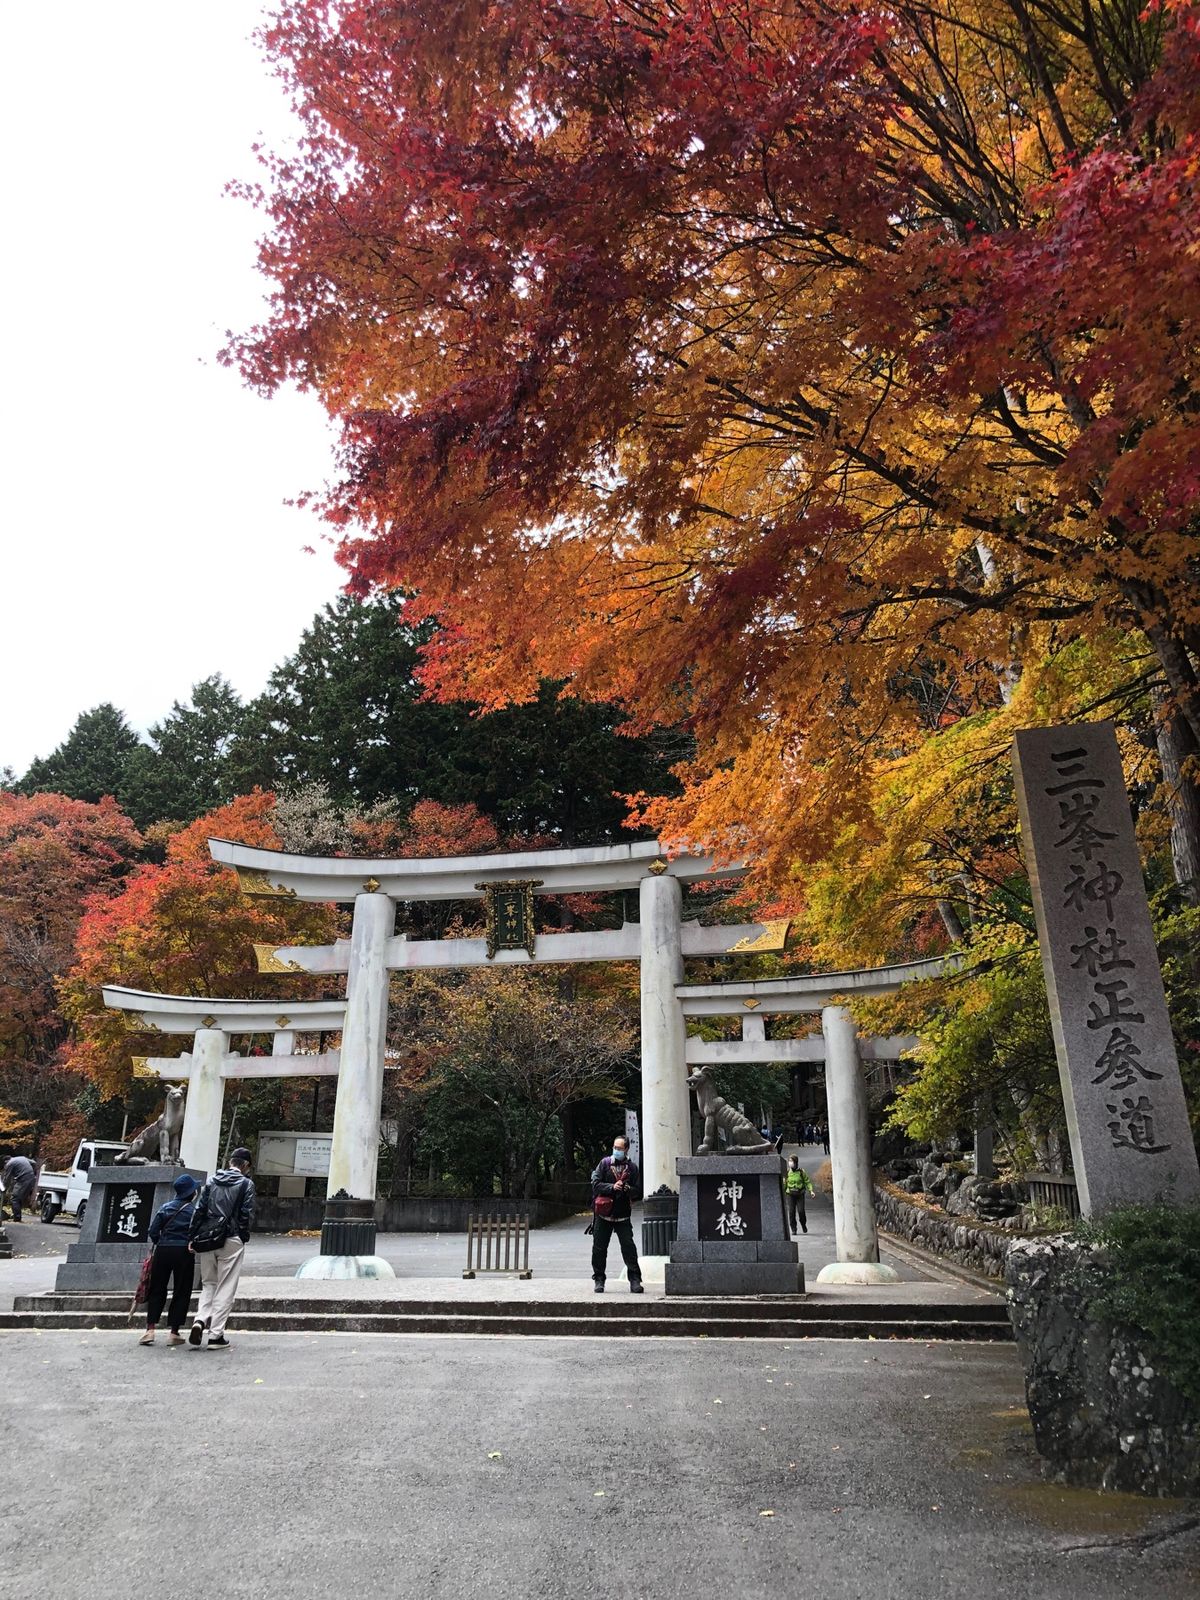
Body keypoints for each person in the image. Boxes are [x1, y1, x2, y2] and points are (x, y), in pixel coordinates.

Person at [187, 1148, 256, 1350]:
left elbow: (199, 1210)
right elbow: (246, 1214)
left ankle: (200, 1319)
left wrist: (192, 1236)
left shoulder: (212, 1181)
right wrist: (243, 1237)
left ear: (230, 1163)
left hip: (208, 1238)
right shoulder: (246, 1184)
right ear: (246, 1166)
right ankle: (216, 1335)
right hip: (231, 1239)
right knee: (226, 1286)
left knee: (209, 1283)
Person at [140, 1173, 199, 1346]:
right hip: (184, 1252)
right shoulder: (193, 1211)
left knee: (157, 1287)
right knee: (182, 1290)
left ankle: (150, 1329)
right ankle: (174, 1332)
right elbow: (197, 1231)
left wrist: (162, 1242)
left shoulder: (165, 1208)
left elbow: (153, 1231)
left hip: (163, 1251)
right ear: (192, 1193)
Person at [590, 1135, 642, 1294]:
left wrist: (627, 1189)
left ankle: (635, 1280)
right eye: (615, 1147)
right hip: (603, 1214)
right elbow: (595, 1184)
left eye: (620, 1148)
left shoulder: (632, 1168)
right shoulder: (604, 1164)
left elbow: (638, 1191)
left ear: (626, 1149)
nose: (617, 1150)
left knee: (628, 1247)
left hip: (623, 1214)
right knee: (599, 1248)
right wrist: (612, 1187)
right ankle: (599, 1279)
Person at [1, 1154, 37, 1222]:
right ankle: (17, 1215)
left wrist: (4, 1189)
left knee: (14, 1199)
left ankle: (17, 1218)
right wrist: (33, 1172)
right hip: (31, 1178)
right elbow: (34, 1163)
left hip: (23, 1180)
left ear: (6, 1161)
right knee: (19, 1198)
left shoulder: (10, 1163)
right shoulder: (21, 1158)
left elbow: (7, 1178)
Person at [784, 1155, 813, 1236]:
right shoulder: (787, 1172)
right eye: (789, 1161)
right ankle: (793, 1229)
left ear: (796, 1162)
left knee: (801, 1211)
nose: (790, 1163)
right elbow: (785, 1184)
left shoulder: (801, 1172)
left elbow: (807, 1181)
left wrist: (811, 1191)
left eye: (792, 1161)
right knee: (791, 1212)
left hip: (800, 1194)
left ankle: (803, 1224)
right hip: (790, 1194)